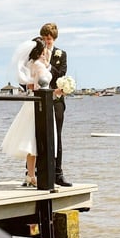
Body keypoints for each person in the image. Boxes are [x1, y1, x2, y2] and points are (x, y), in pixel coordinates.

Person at [1, 37, 58, 187]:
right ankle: (38, 176)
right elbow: (42, 87)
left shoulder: (31, 64)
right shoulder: (39, 65)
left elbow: (32, 85)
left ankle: (31, 175)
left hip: (31, 103)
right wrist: (58, 91)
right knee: (39, 138)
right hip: (41, 103)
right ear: (40, 51)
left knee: (31, 140)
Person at [39, 23, 72, 187]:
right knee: (38, 135)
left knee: (57, 135)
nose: (46, 41)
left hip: (57, 100)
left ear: (54, 38)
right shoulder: (37, 52)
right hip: (40, 100)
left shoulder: (61, 54)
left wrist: (48, 65)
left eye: (49, 39)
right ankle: (35, 172)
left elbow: (61, 74)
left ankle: (58, 173)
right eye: (44, 38)